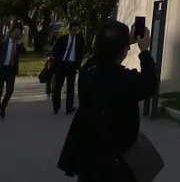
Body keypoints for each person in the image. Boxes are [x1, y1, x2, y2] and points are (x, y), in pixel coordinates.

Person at [58, 19, 159, 180]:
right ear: (123, 50)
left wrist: (123, 44)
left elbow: (102, 60)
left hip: (89, 154)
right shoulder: (123, 79)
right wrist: (144, 51)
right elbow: (150, 83)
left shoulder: (88, 71)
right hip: (115, 161)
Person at [52, 22, 86, 115]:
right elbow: (55, 51)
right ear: (69, 30)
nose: (75, 33)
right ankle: (56, 107)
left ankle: (69, 107)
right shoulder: (62, 39)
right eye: (73, 31)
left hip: (72, 66)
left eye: (76, 31)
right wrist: (58, 61)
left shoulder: (79, 40)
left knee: (70, 87)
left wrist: (78, 62)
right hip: (61, 65)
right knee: (57, 87)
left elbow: (81, 52)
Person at [0, 22, 26, 119]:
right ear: (10, 33)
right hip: (2, 69)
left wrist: (19, 43)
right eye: (15, 32)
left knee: (10, 90)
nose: (16, 34)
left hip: (11, 70)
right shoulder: (4, 42)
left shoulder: (18, 44)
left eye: (18, 33)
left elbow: (24, 53)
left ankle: (3, 105)